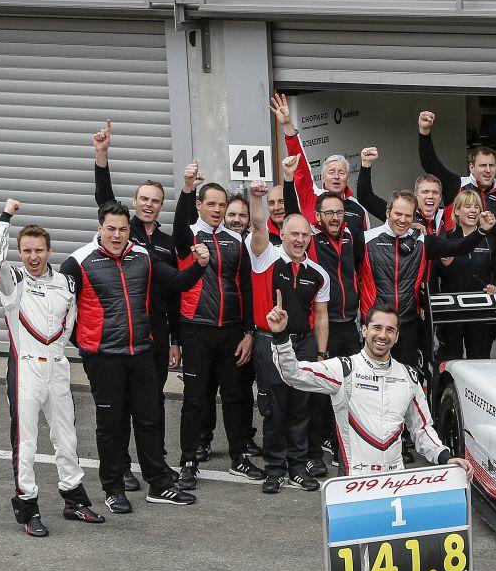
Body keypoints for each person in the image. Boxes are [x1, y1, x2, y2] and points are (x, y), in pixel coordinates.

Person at [264, 300, 474, 571]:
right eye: (376, 328)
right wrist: (280, 336)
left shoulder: (409, 377)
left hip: (395, 487)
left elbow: (423, 429)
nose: (382, 336)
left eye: (390, 330)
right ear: (364, 329)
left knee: (386, 566)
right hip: (353, 487)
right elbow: (293, 375)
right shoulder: (343, 370)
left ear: (397, 335)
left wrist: (447, 457)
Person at [63, 202, 207, 513]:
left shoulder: (143, 255)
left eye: (123, 229)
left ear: (130, 230)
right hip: (104, 358)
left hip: (141, 352)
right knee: (111, 425)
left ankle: (159, 484)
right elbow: (62, 310)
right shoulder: (78, 261)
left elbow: (179, 283)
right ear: (100, 228)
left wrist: (199, 265)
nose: (117, 235)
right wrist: (86, 345)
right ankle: (113, 489)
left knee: (149, 420)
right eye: (111, 229)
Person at [0, 200, 103, 536]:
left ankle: (74, 500)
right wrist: (5, 218)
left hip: (57, 368)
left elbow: (71, 325)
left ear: (49, 250)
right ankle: (28, 509)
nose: (33, 256)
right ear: (20, 252)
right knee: (26, 442)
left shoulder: (66, 283)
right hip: (25, 370)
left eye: (39, 250)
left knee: (66, 438)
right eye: (26, 250)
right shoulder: (13, 280)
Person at [92, 119, 181, 493]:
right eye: (143, 198)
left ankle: (154, 461)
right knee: (122, 404)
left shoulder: (166, 240)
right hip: (123, 331)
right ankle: (123, 466)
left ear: (161, 207)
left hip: (156, 331)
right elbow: (103, 198)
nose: (148, 204)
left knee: (151, 402)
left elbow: (175, 291)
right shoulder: (120, 229)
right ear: (135, 202)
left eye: (155, 201)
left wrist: (176, 340)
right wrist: (102, 155)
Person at [170, 162, 261, 490]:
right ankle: (189, 461)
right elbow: (179, 223)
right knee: (196, 399)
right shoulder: (187, 236)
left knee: (237, 396)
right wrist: (187, 186)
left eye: (222, 205)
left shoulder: (236, 240)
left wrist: (249, 331)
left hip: (231, 331)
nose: (218, 210)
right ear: (199, 205)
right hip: (196, 328)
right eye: (211, 204)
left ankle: (239, 456)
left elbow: (247, 287)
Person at [247, 166, 331, 495]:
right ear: (282, 234)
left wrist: (321, 355)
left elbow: (321, 316)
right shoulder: (265, 258)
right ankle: (273, 469)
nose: (299, 240)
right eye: (294, 234)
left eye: (305, 236)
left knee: (300, 409)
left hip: (304, 346)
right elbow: (256, 225)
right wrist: (256, 198)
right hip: (269, 344)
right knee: (273, 409)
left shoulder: (318, 273)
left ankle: (297, 467)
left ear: (310, 239)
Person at [360, 190, 484, 371]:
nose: (402, 220)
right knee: (371, 378)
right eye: (398, 214)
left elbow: (460, 247)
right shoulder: (365, 239)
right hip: (375, 324)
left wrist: (481, 231)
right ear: (388, 213)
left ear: (414, 217)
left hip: (408, 324)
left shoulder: (422, 241)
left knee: (407, 380)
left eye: (408, 216)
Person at [299, 188, 369, 479]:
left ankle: (345, 453)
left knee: (349, 393)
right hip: (321, 326)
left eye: (339, 212)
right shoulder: (311, 242)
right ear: (317, 217)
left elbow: (358, 269)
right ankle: (313, 455)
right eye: (329, 212)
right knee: (317, 393)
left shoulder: (352, 236)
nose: (335, 217)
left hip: (349, 325)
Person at [270, 93, 369, 236]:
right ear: (322, 178)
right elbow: (301, 168)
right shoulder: (312, 197)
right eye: (331, 172)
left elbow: (364, 248)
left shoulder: (359, 209)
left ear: (347, 179)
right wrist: (287, 125)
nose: (336, 176)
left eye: (341, 173)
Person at [436, 189, 496, 362]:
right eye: (467, 206)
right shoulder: (446, 240)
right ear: (457, 211)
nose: (473, 211)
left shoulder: (489, 241)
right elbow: (438, 275)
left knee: (480, 363)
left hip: (481, 313)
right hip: (452, 313)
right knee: (451, 363)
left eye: (476, 207)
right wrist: (446, 265)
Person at [417, 110, 496, 226]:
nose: (488, 170)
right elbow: (429, 163)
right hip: (454, 244)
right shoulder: (456, 185)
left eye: (491, 165)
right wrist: (424, 131)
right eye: (482, 165)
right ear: (471, 167)